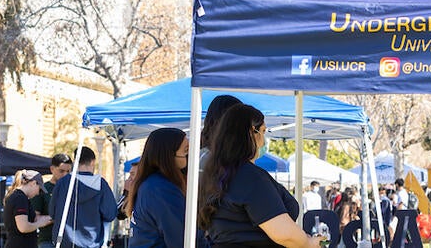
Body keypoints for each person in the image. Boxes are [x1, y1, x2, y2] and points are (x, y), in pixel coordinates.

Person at [198, 104, 323, 248]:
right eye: (263, 131)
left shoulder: (216, 173)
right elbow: (284, 233)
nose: (264, 140)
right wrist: (309, 243)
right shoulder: (249, 176)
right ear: (251, 132)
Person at [125, 127, 206, 248]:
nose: (190, 156)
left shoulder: (151, 184)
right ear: (168, 154)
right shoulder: (160, 188)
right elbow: (182, 237)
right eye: (186, 151)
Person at [50, 146, 117, 248]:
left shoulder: (63, 183)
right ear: (92, 162)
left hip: (65, 242)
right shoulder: (101, 184)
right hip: (92, 243)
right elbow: (110, 214)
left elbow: (52, 212)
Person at [30, 154, 72, 248]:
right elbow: (35, 218)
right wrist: (57, 217)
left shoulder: (73, 189)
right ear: (52, 169)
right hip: (48, 240)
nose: (65, 174)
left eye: (68, 171)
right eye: (61, 171)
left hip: (70, 240)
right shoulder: (43, 189)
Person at [6, 170, 53, 248]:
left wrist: (46, 219)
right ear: (33, 183)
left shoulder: (18, 197)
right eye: (39, 189)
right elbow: (23, 227)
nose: (38, 193)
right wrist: (39, 224)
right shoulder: (20, 198)